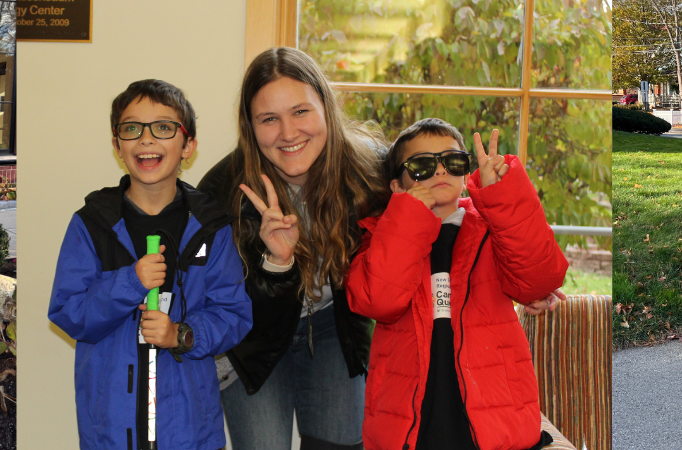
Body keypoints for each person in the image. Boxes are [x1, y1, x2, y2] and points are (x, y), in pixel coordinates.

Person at [194, 47, 389, 450]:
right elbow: (217, 302)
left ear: (325, 107)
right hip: (255, 339)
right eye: (269, 119)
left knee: (341, 443)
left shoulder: (369, 172)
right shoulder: (221, 193)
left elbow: (433, 220)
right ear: (250, 127)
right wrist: (277, 264)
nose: (288, 133)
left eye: (300, 111)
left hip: (336, 328)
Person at [49, 79, 253, 450]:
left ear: (188, 145)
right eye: (131, 128)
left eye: (163, 127)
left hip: (190, 430)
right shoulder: (92, 223)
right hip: (111, 430)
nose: (146, 139)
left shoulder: (212, 225)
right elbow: (67, 311)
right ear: (117, 144)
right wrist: (131, 282)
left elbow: (233, 314)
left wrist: (181, 335)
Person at [347, 118, 570, 449]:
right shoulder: (381, 238)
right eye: (422, 165)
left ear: (466, 176)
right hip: (410, 419)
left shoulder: (492, 229)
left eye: (452, 162)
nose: (439, 171)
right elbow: (378, 300)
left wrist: (502, 195)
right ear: (397, 186)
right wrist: (407, 217)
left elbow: (539, 278)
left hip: (490, 413)